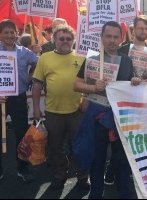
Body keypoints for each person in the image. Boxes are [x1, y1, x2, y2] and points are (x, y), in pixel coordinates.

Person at [73, 21, 141, 199]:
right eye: (108, 36)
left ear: (121, 38)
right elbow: (76, 84)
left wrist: (135, 81)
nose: (112, 40)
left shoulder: (126, 60)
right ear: (101, 37)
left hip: (120, 117)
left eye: (115, 36)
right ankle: (96, 193)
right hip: (97, 117)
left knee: (122, 159)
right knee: (98, 159)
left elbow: (129, 84)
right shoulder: (92, 59)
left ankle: (124, 192)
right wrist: (93, 88)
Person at [32, 25, 90, 190]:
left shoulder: (82, 57)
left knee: (79, 145)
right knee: (56, 147)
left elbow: (90, 82)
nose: (65, 41)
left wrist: (86, 100)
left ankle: (82, 176)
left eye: (68, 39)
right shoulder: (45, 58)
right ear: (54, 40)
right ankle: (59, 176)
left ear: (73, 40)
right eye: (61, 38)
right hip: (53, 112)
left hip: (77, 111)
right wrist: (36, 108)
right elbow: (37, 85)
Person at [0, 19, 41, 188]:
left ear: (17, 33)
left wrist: (33, 70)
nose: (10, 35)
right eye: (6, 32)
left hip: (18, 99)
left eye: (12, 32)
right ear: (0, 34)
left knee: (21, 135)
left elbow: (40, 64)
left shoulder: (25, 52)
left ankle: (22, 169)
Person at [119, 15, 147, 82]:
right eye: (141, 28)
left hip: (145, 90)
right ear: (134, 29)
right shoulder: (122, 49)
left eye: (146, 29)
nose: (144, 31)